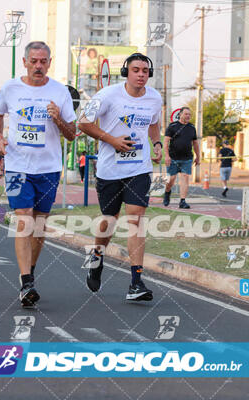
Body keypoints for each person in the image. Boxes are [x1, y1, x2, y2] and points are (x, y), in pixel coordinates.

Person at [0, 41, 77, 307]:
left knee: (39, 228)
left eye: (43, 61)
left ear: (49, 63)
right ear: (25, 62)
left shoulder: (60, 91)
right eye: (34, 61)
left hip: (48, 169)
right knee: (24, 220)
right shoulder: (10, 88)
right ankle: (27, 281)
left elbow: (72, 134)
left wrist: (58, 119)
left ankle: (29, 270)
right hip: (18, 167)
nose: (38, 66)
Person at [78, 52, 162, 301]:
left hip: (139, 168)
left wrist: (156, 143)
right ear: (126, 72)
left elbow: (154, 123)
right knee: (110, 220)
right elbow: (83, 122)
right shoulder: (106, 95)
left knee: (136, 218)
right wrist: (112, 140)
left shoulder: (155, 97)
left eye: (145, 71)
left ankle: (136, 283)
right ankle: (97, 254)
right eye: (136, 70)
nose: (141, 75)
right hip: (109, 169)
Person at [163, 107, 201, 209]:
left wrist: (198, 156)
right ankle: (167, 192)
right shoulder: (172, 126)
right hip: (173, 158)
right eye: (186, 114)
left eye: (189, 114)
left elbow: (195, 143)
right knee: (171, 179)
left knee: (184, 177)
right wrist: (166, 156)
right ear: (180, 115)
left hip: (187, 158)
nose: (188, 116)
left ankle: (182, 201)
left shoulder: (192, 127)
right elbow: (166, 142)